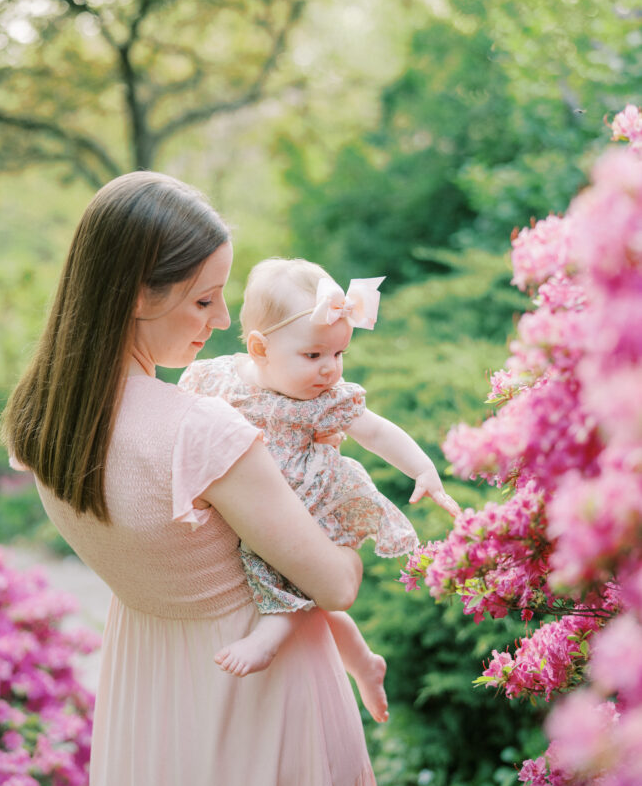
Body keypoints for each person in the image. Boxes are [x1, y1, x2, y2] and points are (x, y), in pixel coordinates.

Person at [0, 173, 382, 786]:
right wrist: (347, 516)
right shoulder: (198, 430)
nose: (226, 318)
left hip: (149, 707)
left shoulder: (42, 418)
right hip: (258, 705)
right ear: (139, 293)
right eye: (205, 298)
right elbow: (333, 584)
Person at [179, 258, 461, 723]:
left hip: (304, 501)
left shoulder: (327, 400)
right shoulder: (220, 379)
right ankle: (363, 664)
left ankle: (274, 630)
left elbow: (375, 432)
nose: (330, 369)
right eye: (314, 355)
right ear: (259, 347)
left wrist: (423, 469)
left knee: (285, 564)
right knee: (318, 608)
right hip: (249, 493)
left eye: (339, 354)